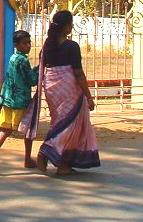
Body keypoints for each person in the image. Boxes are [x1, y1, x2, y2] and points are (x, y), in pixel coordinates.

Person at [19, 10, 100, 175]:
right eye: (70, 24)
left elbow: (44, 66)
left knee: (59, 122)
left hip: (52, 88)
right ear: (65, 27)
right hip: (69, 88)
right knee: (71, 125)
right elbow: (78, 73)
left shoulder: (47, 46)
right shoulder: (71, 46)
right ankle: (48, 151)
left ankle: (64, 163)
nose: (71, 26)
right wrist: (89, 96)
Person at [0, 29, 39, 175]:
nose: (29, 46)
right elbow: (32, 80)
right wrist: (40, 67)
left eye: (29, 43)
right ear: (17, 45)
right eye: (25, 43)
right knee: (28, 130)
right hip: (20, 101)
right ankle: (27, 158)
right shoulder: (22, 61)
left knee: (5, 130)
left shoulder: (13, 58)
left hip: (8, 99)